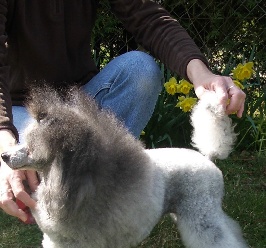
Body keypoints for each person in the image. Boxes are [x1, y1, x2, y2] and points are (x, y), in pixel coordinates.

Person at [0, 0, 246, 223]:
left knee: (141, 69)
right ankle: (44, 193)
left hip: (82, 102)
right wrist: (4, 138)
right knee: (22, 147)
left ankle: (101, 188)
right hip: (23, 112)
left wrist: (203, 76)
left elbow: (149, 17)